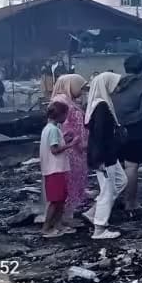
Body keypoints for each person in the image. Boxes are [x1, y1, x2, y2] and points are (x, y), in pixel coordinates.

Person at [113, 55, 142, 215]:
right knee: (131, 167)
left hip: (115, 133)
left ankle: (117, 198)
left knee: (116, 168)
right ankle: (130, 202)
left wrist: (119, 122)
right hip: (135, 133)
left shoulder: (116, 86)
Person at [86, 72, 126, 240]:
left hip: (108, 154)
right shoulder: (101, 107)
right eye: (115, 84)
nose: (117, 88)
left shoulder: (100, 104)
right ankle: (99, 228)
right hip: (104, 156)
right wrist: (100, 159)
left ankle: (93, 213)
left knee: (121, 181)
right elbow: (100, 135)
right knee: (107, 190)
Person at [51, 74, 91, 218]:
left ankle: (69, 213)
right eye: (79, 87)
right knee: (70, 181)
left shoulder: (69, 101)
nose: (82, 90)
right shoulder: (61, 102)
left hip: (76, 147)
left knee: (75, 179)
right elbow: (65, 126)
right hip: (71, 148)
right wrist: (77, 141)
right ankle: (65, 216)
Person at [41, 101, 72, 237]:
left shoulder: (49, 129)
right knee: (55, 200)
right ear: (59, 115)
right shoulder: (54, 129)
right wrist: (71, 145)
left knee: (60, 199)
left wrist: (65, 139)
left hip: (54, 169)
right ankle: (47, 227)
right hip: (55, 169)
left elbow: (53, 144)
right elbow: (54, 149)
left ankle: (57, 224)